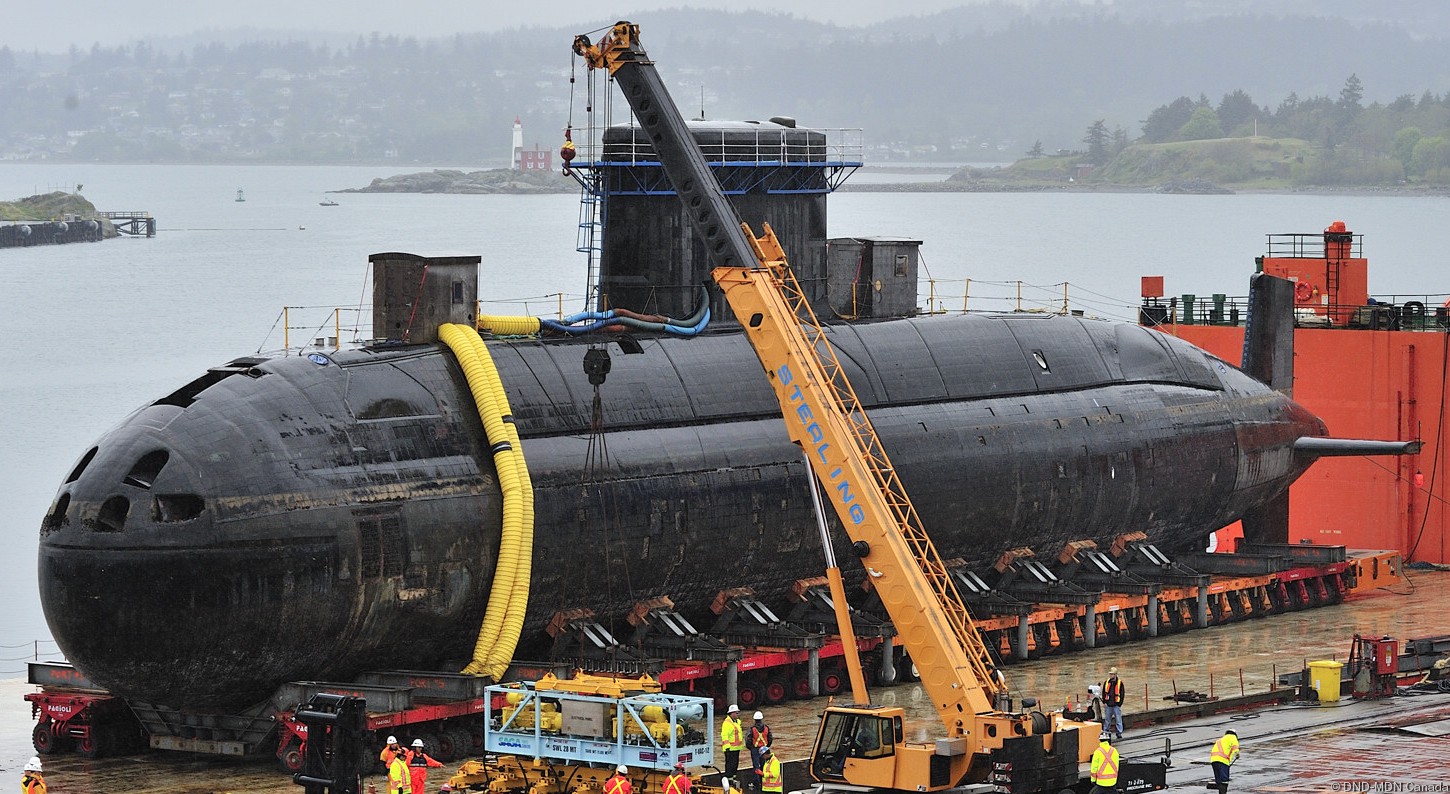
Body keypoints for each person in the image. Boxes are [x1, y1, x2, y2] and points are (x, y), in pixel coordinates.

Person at [720, 703, 745, 789]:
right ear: (731, 713)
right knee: (730, 764)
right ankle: (729, 779)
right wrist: (727, 747)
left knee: (735, 764)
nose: (738, 714)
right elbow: (724, 735)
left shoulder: (737, 722)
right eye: (736, 713)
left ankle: (733, 778)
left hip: (737, 748)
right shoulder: (727, 723)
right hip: (730, 748)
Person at [747, 710, 773, 789]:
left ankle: (756, 783)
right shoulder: (766, 728)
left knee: (756, 766)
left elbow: (748, 740)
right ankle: (763, 781)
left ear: (754, 719)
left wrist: (751, 748)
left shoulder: (752, 729)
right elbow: (770, 738)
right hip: (764, 749)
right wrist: (767, 746)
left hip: (755, 749)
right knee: (764, 766)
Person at [1209, 729, 1240, 794]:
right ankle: (1222, 792)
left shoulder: (1221, 739)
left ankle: (1219, 786)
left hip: (1213, 759)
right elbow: (1235, 747)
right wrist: (1237, 754)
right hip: (1223, 760)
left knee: (1218, 778)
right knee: (1224, 779)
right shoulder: (1233, 737)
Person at [1101, 667, 1125, 740]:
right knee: (1107, 720)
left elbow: (1122, 693)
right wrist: (1104, 702)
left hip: (1116, 705)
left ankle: (1119, 733)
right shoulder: (1107, 682)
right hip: (1108, 704)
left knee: (1118, 719)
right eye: (1110, 674)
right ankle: (1106, 732)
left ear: (1115, 675)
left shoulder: (1120, 683)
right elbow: (1103, 692)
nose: (1110, 675)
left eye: (1112, 674)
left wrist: (1119, 703)